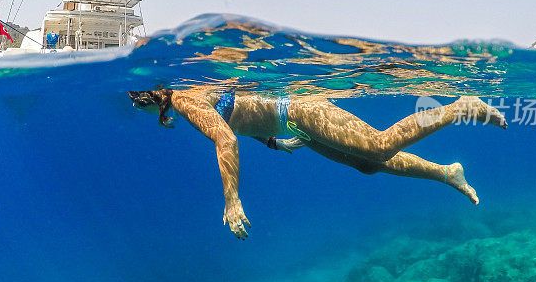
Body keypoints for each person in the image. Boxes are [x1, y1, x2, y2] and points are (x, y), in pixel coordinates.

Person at [128, 88, 507, 239]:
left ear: (148, 97)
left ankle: (460, 108)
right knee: (368, 164)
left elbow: (225, 137)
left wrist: (232, 200)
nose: (135, 107)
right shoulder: (184, 99)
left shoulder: (184, 100)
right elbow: (237, 118)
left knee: (376, 146)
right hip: (291, 123)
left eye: (136, 101)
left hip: (302, 111)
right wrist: (274, 142)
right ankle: (446, 172)